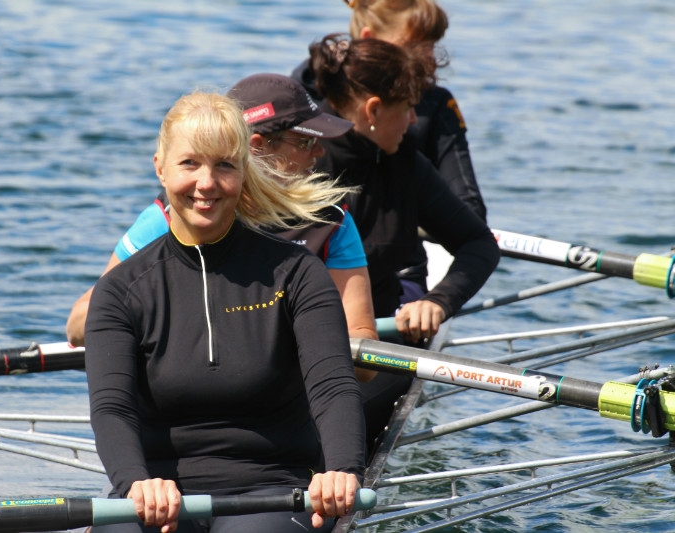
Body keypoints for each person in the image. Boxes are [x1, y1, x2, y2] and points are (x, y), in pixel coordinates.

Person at [85, 91, 366, 532]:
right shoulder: (121, 290)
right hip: (156, 493)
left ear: (244, 171)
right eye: (189, 164)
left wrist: (344, 469)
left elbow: (332, 387)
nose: (207, 183)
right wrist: (135, 482)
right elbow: (112, 408)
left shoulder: (297, 274)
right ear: (160, 167)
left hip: (274, 489)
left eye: (224, 166)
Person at [66, 74, 378, 381]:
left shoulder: (330, 223)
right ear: (257, 148)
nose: (319, 152)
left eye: (223, 165)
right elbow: (79, 325)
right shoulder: (175, 215)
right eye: (305, 141)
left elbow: (365, 363)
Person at [302, 33, 500, 447]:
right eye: (408, 107)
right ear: (373, 110)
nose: (413, 121)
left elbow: (479, 243)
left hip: (377, 341)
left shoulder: (405, 162)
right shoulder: (300, 159)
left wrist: (437, 302)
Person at [293, 0, 488, 296]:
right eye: (414, 47)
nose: (429, 60)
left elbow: (473, 223)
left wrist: (439, 301)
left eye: (431, 46)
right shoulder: (300, 118)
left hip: (396, 269)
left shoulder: (413, 147)